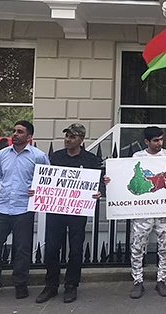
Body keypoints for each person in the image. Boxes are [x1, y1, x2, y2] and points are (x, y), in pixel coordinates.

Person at [107, 126, 166, 299]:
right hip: (143, 211)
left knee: (165, 246)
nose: (159, 143)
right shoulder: (137, 157)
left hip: (164, 210)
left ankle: (161, 280)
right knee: (138, 245)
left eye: (161, 139)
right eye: (155, 140)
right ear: (146, 142)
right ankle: (137, 281)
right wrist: (111, 179)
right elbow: (125, 177)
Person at [0, 121, 50, 300]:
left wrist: (36, 190)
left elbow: (47, 180)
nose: (15, 134)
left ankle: (20, 283)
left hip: (23, 208)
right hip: (2, 207)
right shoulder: (1, 155)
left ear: (29, 137)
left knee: (22, 248)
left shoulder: (39, 156)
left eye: (20, 132)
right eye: (14, 131)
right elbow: (0, 176)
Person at [35, 123, 102, 304]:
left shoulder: (90, 159)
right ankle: (51, 285)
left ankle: (71, 286)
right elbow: (45, 179)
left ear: (81, 140)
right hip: (56, 210)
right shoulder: (55, 157)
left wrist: (99, 191)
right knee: (51, 248)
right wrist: (38, 190)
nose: (67, 140)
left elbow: (99, 181)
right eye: (66, 136)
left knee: (76, 249)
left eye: (72, 137)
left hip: (77, 212)